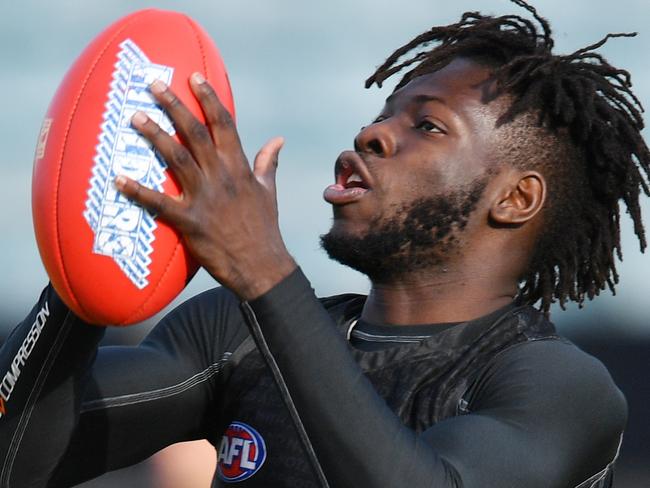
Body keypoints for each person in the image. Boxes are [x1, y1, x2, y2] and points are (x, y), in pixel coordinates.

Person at [0, 1, 647, 486]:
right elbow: (18, 456)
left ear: (515, 199)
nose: (371, 134)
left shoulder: (557, 385)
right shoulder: (235, 336)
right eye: (383, 112)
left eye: (425, 124)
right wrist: (83, 262)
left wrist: (264, 271)